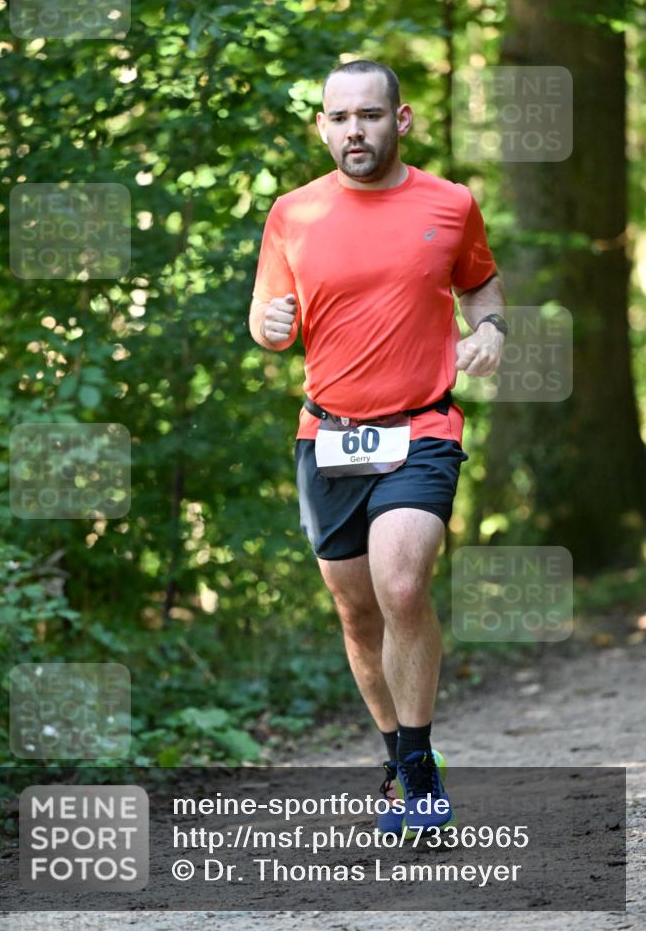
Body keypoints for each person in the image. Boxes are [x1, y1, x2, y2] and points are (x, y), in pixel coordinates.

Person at [249, 59, 506, 834]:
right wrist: (266, 328)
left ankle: (421, 770)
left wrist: (488, 329)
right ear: (322, 126)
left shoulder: (450, 203)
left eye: (368, 115)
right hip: (326, 436)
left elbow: (481, 284)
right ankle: (395, 755)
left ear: (401, 120)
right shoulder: (292, 213)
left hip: (422, 426)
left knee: (400, 586)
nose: (352, 130)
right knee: (357, 613)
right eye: (338, 118)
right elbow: (270, 315)